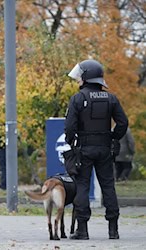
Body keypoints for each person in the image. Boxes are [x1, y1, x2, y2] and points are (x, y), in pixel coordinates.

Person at [65, 59, 128, 240]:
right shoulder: (111, 98)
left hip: (84, 148)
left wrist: (72, 142)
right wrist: (113, 137)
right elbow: (123, 123)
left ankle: (82, 230)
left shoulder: (78, 98)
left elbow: (69, 127)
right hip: (105, 148)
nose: (78, 80)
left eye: (79, 77)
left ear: (86, 77)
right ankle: (113, 230)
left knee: (82, 185)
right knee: (108, 186)